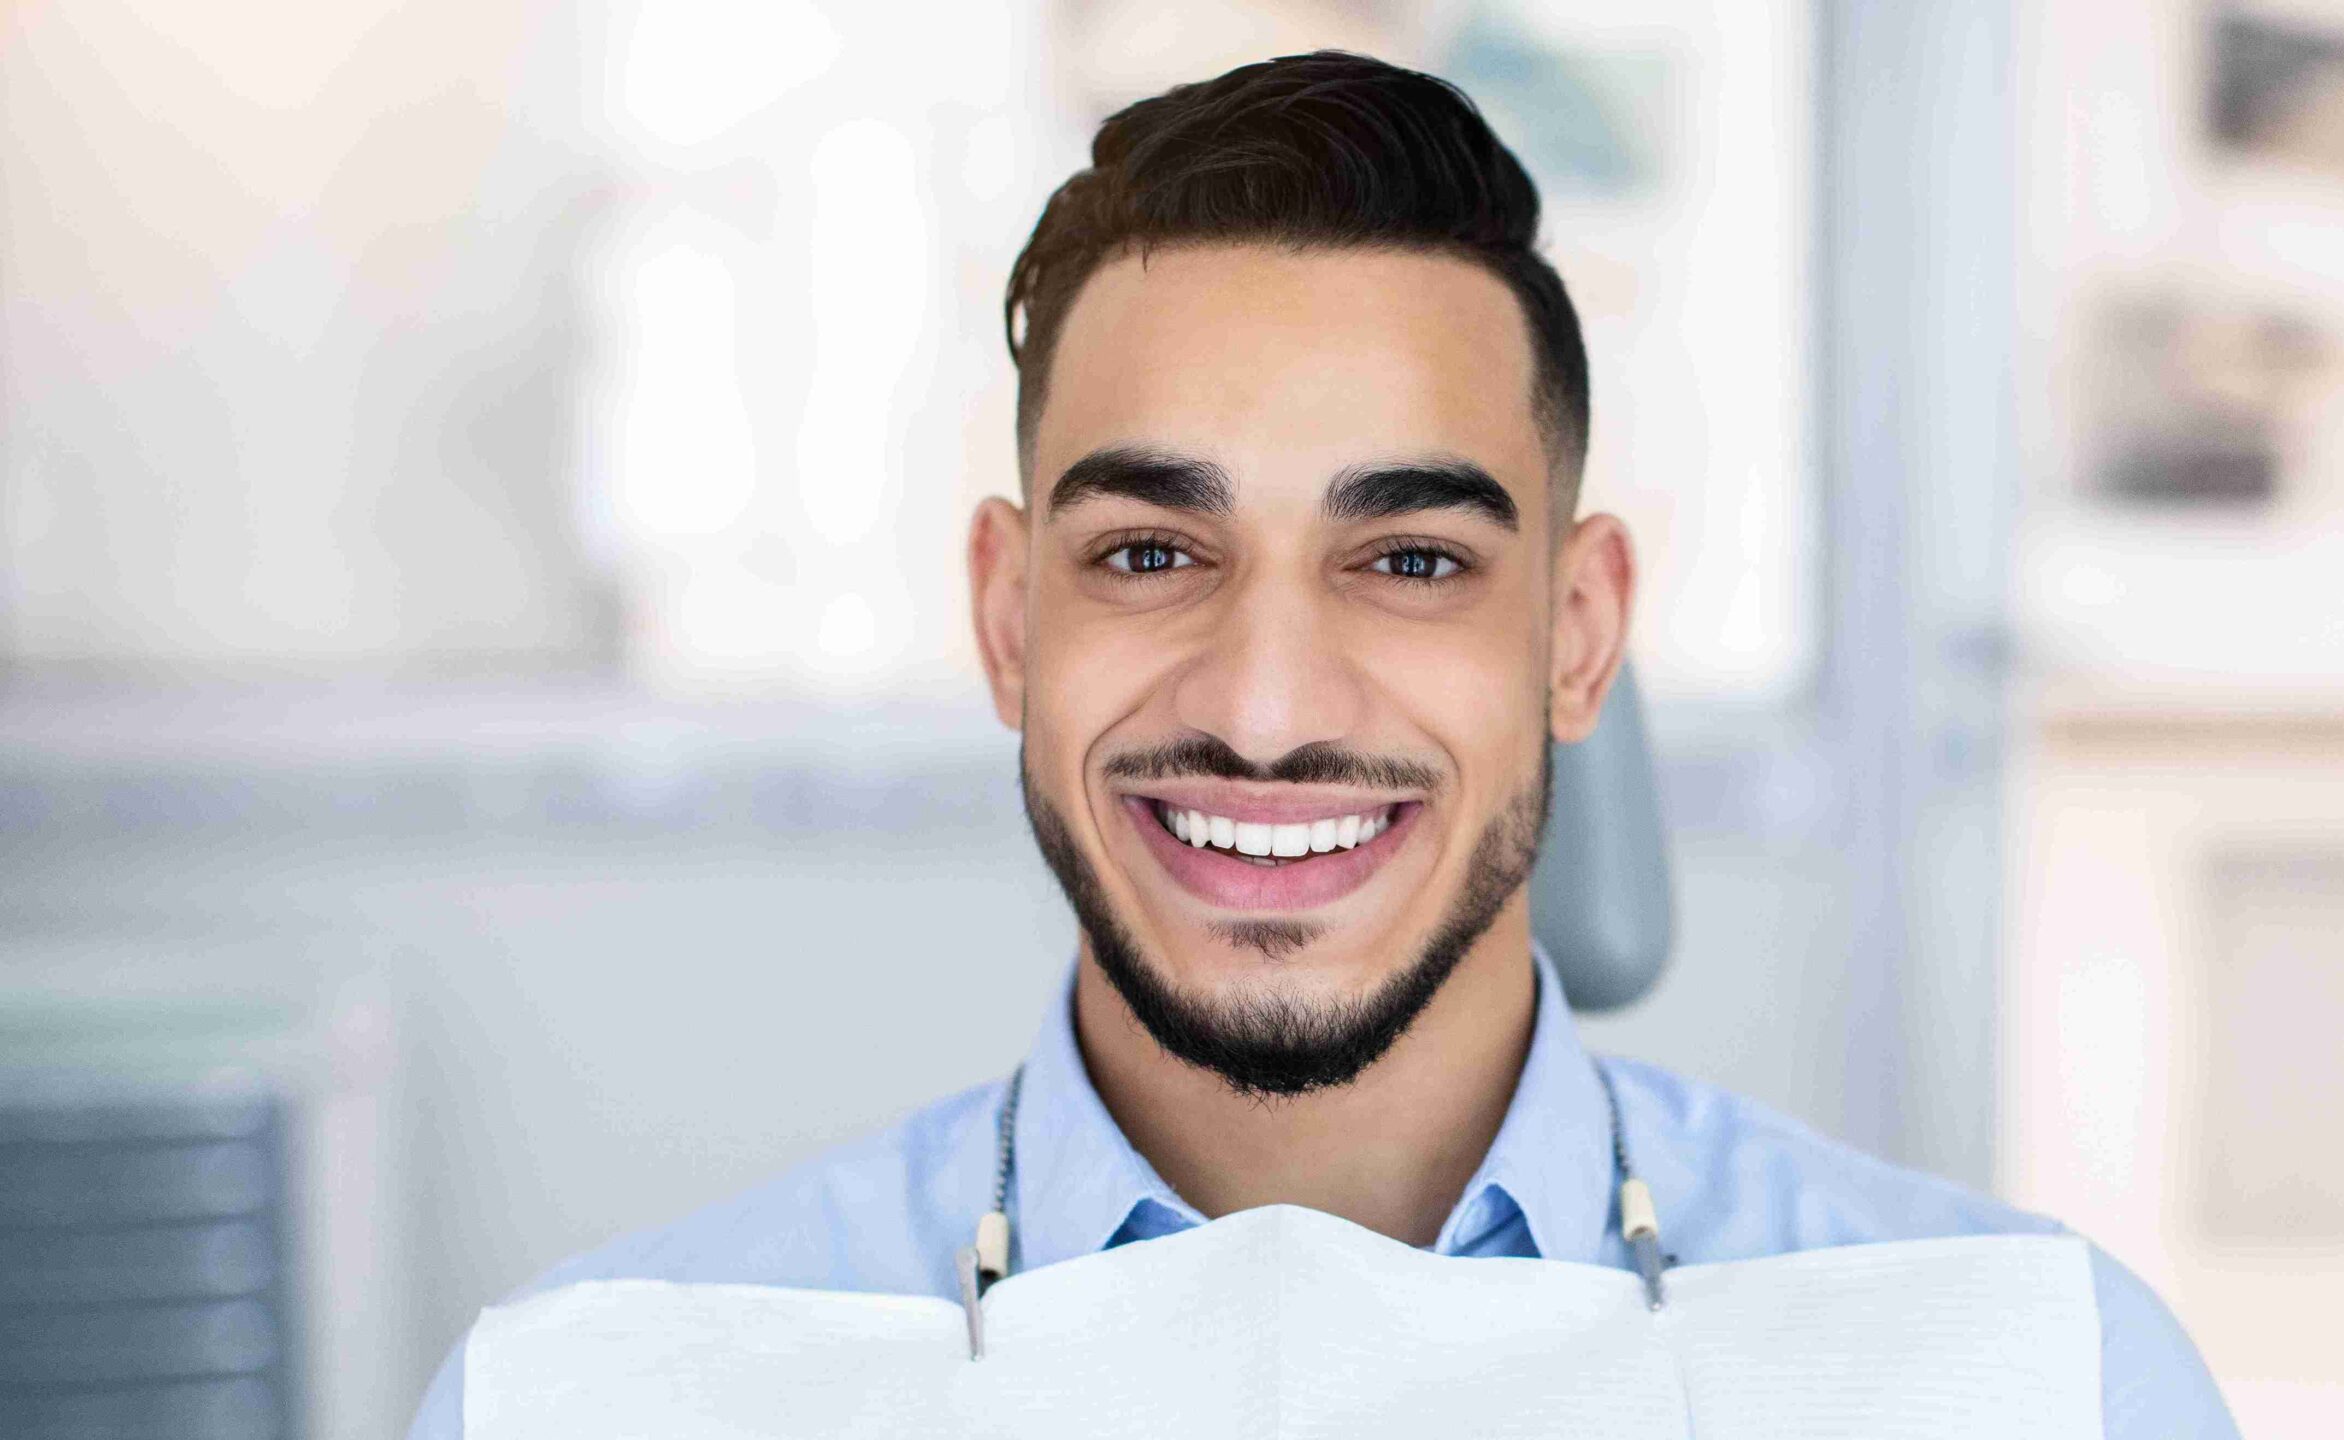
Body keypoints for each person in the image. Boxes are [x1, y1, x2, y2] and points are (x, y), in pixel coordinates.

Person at [408, 50, 2234, 1437]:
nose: (1265, 707)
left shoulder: (2028, 1384)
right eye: (1148, 553)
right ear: (1006, 617)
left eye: (1411, 559)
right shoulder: (605, 1397)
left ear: (1578, 636)